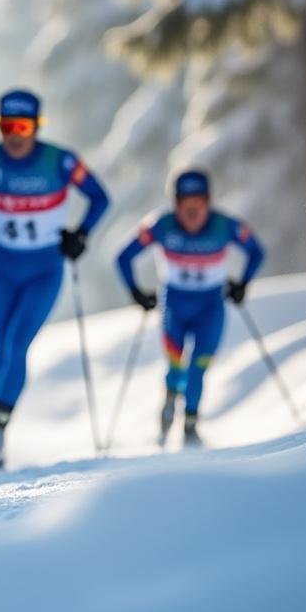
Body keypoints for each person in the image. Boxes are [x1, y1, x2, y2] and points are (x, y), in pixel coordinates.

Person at [0, 89, 109, 474]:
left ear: (36, 127)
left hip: (44, 268)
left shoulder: (60, 161)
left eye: (22, 127)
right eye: (7, 127)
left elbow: (100, 198)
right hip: (2, 265)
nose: (14, 136)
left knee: (17, 342)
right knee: (1, 345)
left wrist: (81, 234)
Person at [115, 169, 265, 447]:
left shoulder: (225, 226)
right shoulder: (161, 225)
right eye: (186, 202)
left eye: (199, 201)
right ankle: (171, 399)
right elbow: (123, 257)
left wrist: (242, 284)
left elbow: (257, 251)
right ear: (176, 203)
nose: (193, 208)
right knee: (175, 367)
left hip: (211, 310)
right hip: (174, 308)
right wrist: (137, 293)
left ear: (208, 201)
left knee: (198, 369)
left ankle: (191, 426)